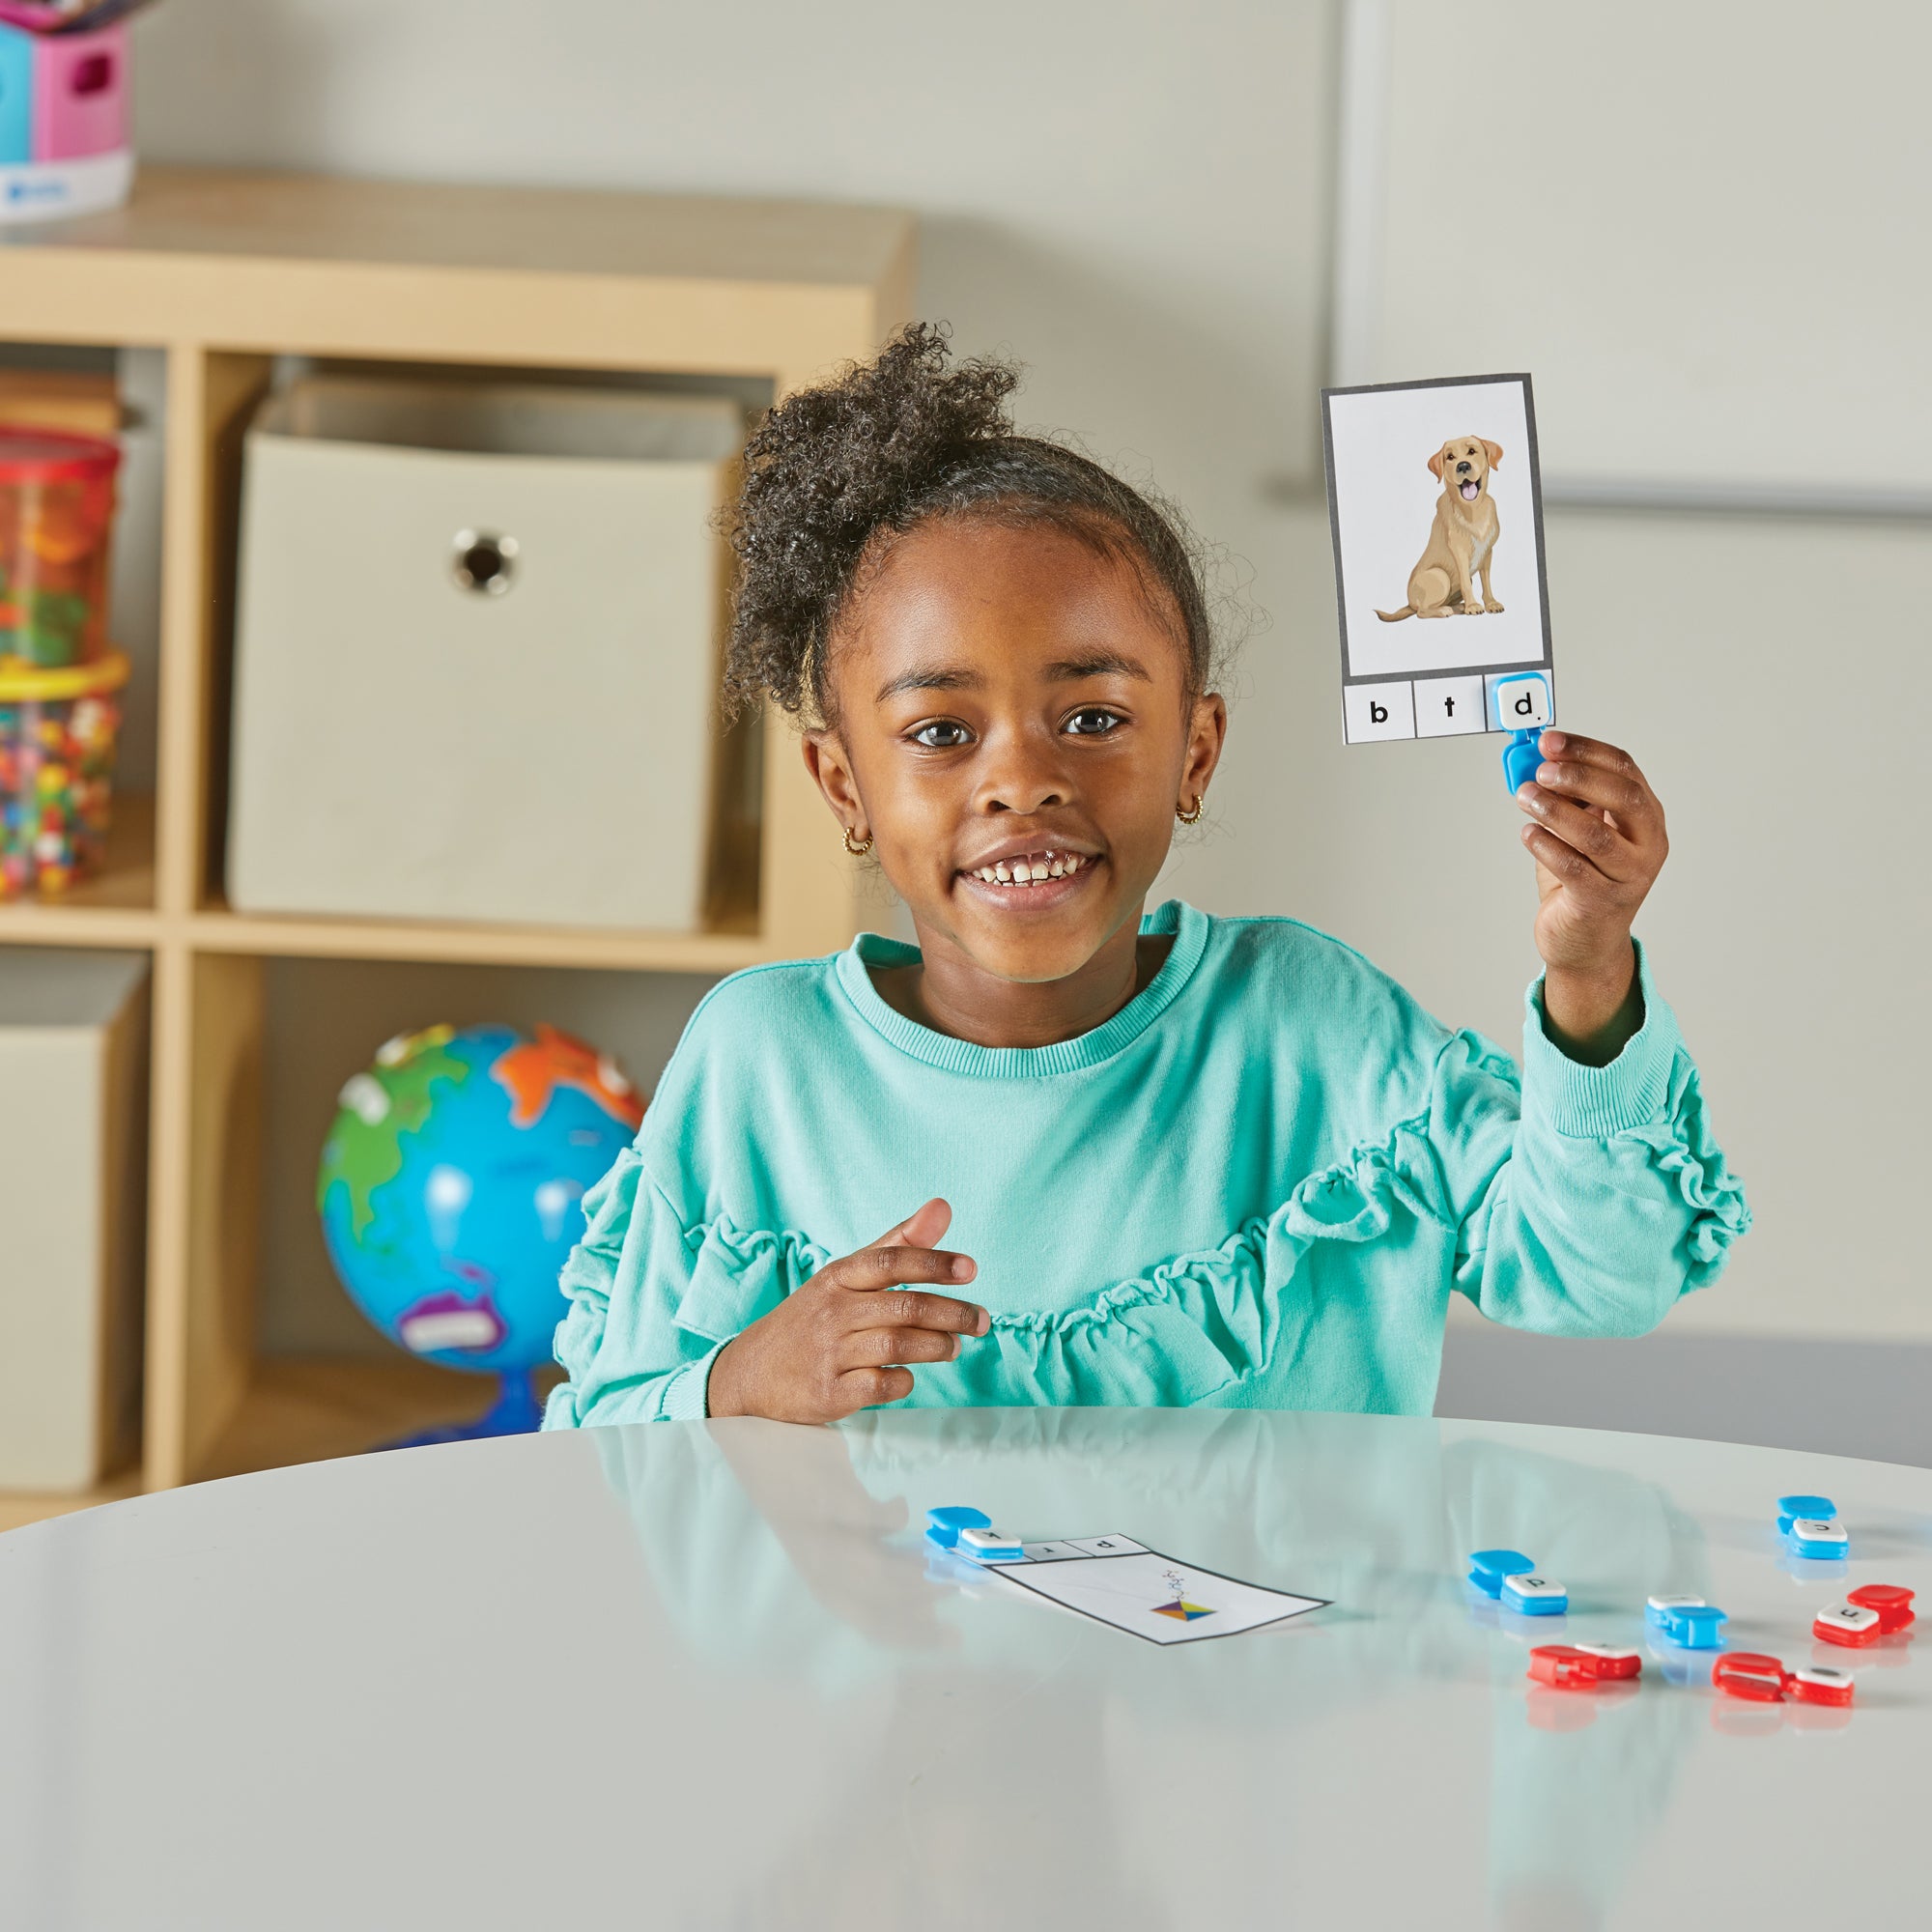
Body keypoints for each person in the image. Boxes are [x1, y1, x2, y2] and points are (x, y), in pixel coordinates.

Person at [543, 325, 1747, 1430]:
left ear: (1196, 751)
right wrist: (743, 1380)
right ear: (842, 786)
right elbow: (599, 1447)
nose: (1021, 778)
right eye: (940, 732)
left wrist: (1587, 967)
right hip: (880, 1665)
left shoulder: (1309, 1028)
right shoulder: (761, 1066)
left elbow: (1603, 1276)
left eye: (1092, 716)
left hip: (1282, 1663)